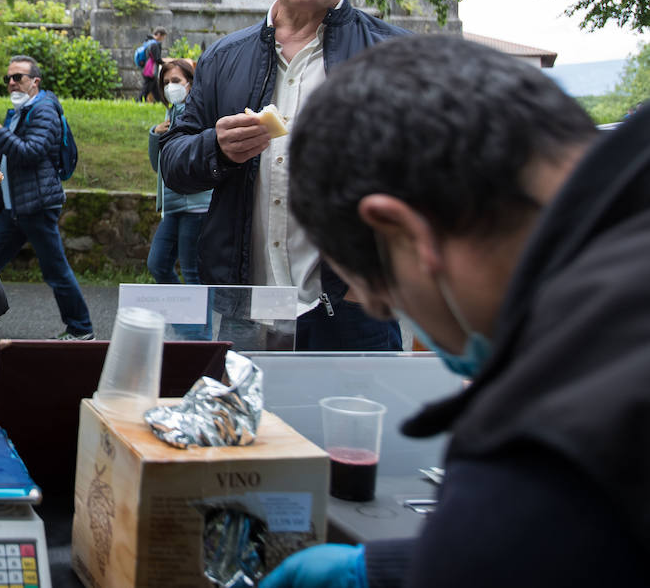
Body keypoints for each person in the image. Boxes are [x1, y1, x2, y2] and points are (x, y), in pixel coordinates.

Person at [263, 33, 648, 587]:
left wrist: (460, 551)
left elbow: (521, 537)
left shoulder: (544, 458)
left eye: (385, 300)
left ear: (405, 234)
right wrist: (397, 569)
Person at [160, 0, 406, 350]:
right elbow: (173, 162)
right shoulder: (223, 57)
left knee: (345, 424)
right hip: (245, 308)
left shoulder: (394, 57)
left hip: (352, 310)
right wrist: (217, 149)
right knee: (244, 425)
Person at [0, 56, 95, 339]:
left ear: (35, 81)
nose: (12, 83)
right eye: (8, 78)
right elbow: (7, 154)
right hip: (15, 206)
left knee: (55, 270)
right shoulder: (19, 110)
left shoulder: (43, 110)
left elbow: (31, 152)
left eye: (18, 77)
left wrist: (0, 132)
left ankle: (81, 329)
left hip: (37, 204)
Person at [148, 57, 214, 338]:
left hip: (197, 205)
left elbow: (198, 157)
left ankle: (200, 339)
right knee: (158, 264)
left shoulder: (197, 115)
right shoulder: (171, 117)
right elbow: (158, 166)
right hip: (174, 206)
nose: (171, 87)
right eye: (166, 83)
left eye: (176, 81)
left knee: (192, 273)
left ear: (190, 82)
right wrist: (155, 135)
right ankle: (189, 329)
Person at [139, 26, 167, 102]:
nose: (163, 39)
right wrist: (166, 64)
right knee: (147, 87)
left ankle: (160, 101)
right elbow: (157, 58)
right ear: (158, 34)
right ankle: (139, 100)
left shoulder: (148, 42)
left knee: (154, 87)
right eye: (163, 37)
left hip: (146, 67)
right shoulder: (154, 44)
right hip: (151, 69)